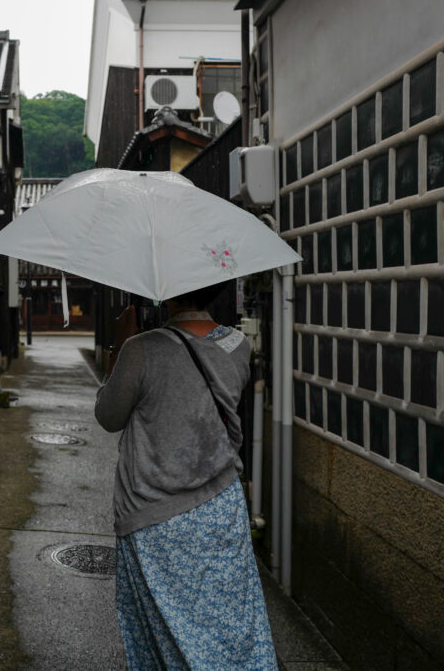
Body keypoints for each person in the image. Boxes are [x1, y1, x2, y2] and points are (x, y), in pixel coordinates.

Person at [94, 282, 276, 670]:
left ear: (167, 292)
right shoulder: (237, 345)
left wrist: (119, 346)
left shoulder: (140, 350)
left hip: (155, 514)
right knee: (226, 629)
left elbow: (108, 417)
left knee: (164, 636)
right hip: (221, 506)